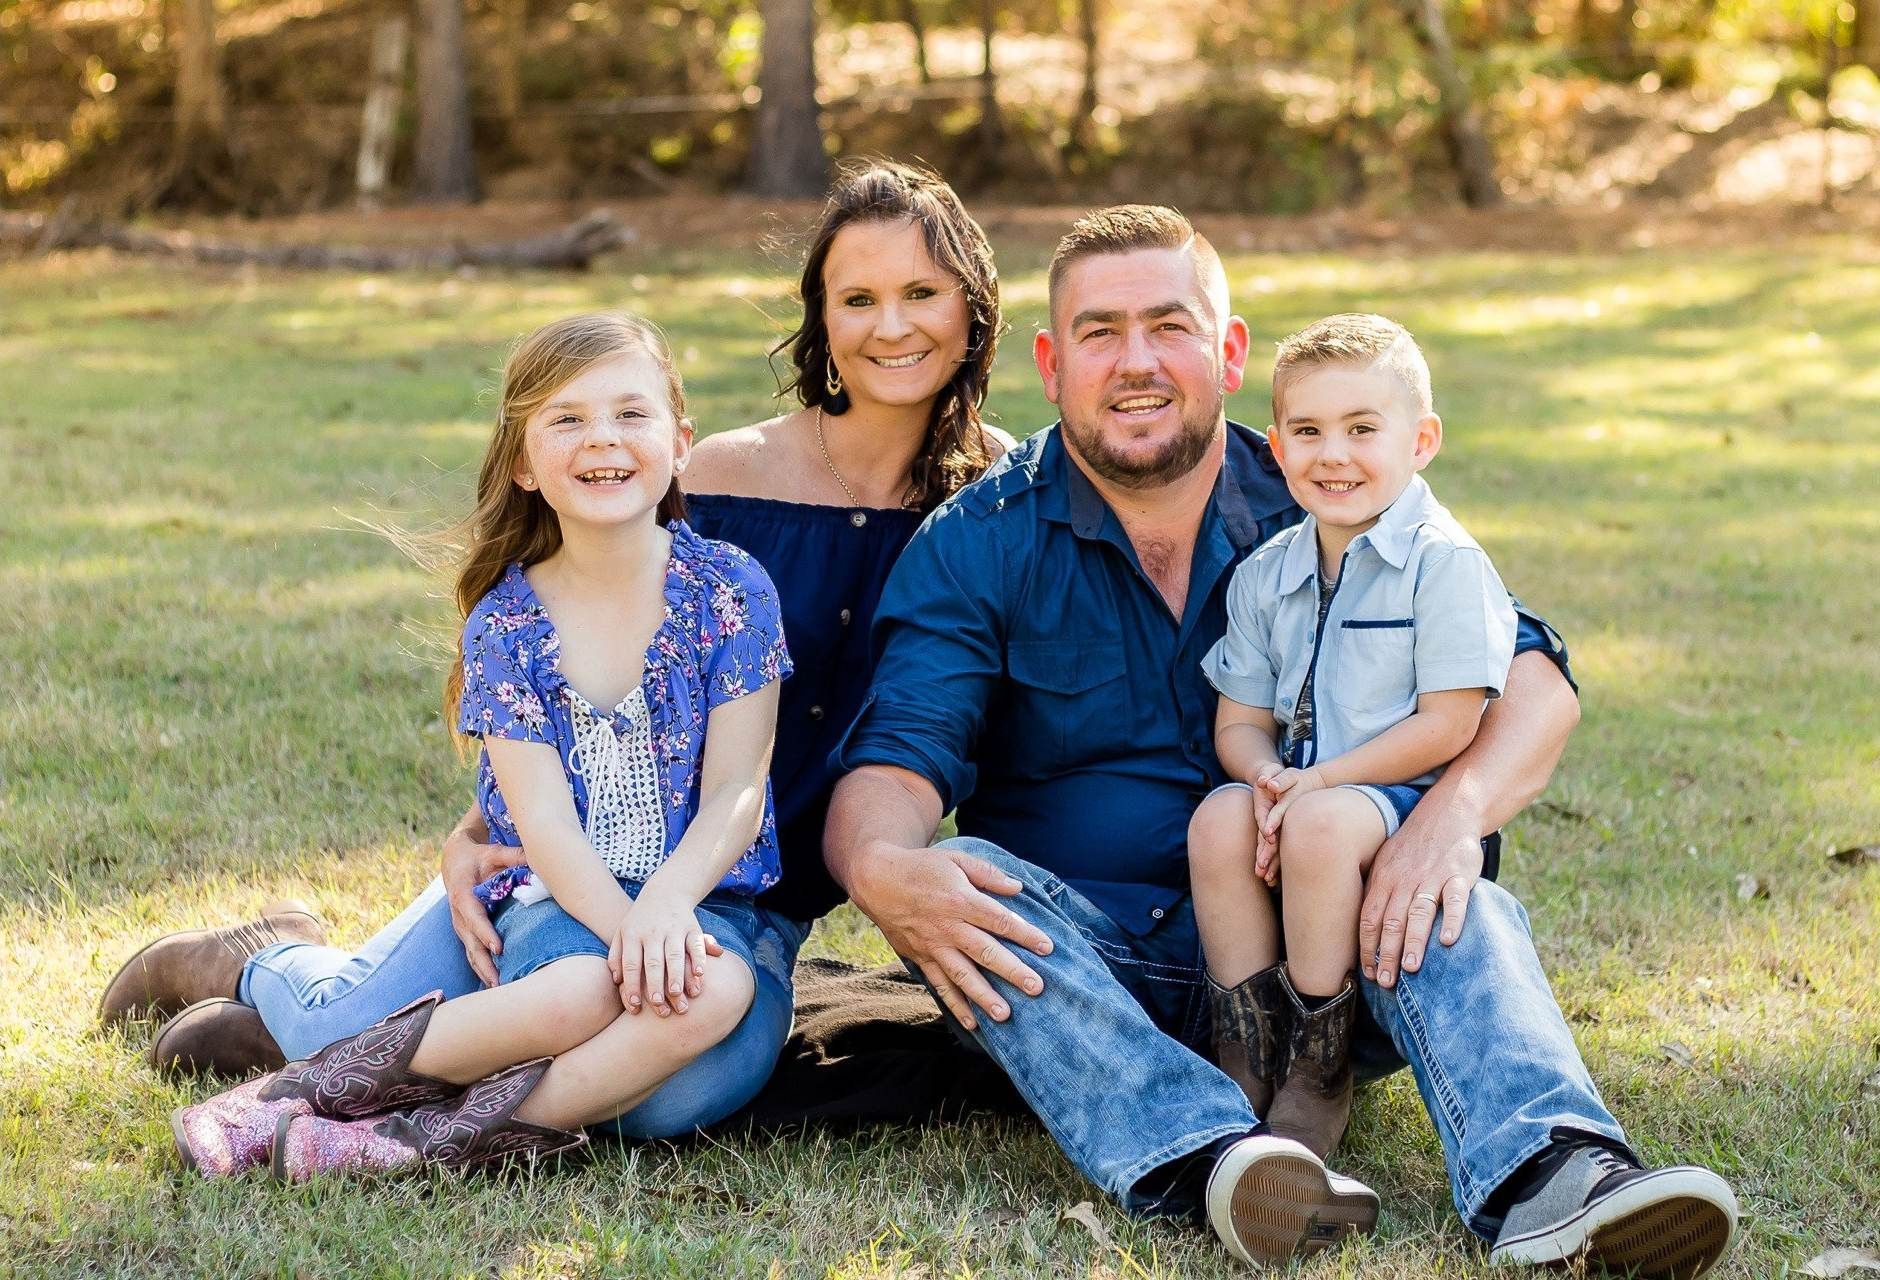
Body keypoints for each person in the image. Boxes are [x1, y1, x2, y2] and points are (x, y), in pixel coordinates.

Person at [821, 205, 1739, 1275]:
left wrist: (1450, 812)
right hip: (1097, 978)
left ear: (1228, 349)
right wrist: (880, 866)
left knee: (1449, 885)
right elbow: (895, 756)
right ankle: (1214, 1154)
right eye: (1099, 331)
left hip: (1329, 956)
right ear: (1049, 359)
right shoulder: (978, 540)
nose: (1135, 363)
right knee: (962, 871)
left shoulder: (1324, 484)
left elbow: (1530, 673)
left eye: (1168, 325)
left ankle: (1556, 1172)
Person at [100, 159, 1012, 1139]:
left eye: (920, 293)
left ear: (973, 307)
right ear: (819, 318)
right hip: (572, 858)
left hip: (741, 898)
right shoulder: (714, 472)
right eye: (857, 298)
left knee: (657, 1099)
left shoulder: (1002, 499)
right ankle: (272, 965)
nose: (889, 325)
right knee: (468, 1006)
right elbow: (583, 651)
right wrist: (479, 823)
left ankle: (359, 1070)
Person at [171, 310, 794, 1179]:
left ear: (682, 441)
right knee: (583, 989)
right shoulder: (507, 620)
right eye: (565, 419)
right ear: (523, 464)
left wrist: (663, 911)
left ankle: (409, 1144)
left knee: (687, 1054)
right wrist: (624, 928)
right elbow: (542, 823)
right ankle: (288, 1049)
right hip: (559, 905)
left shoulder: (731, 591)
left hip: (702, 903)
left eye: (630, 413)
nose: (601, 439)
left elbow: (736, 790)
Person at [1187, 312, 1517, 1160]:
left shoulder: (1445, 562)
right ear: (1277, 445)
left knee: (1323, 824)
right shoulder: (1266, 573)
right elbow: (1240, 722)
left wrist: (1322, 784)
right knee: (1219, 817)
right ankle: (1243, 1053)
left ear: (1423, 439)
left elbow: (1450, 723)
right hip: (1301, 795)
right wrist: (1267, 779)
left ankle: (1316, 1064)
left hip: (1401, 797)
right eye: (1308, 431)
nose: (1333, 455)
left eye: (1362, 429)